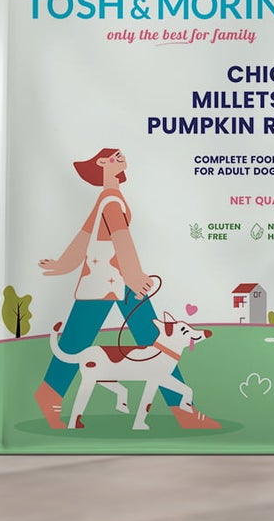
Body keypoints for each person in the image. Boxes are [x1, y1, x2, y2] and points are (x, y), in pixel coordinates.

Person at [33, 146, 219, 430]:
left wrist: (65, 264)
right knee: (82, 342)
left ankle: (183, 410)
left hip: (111, 280)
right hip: (108, 280)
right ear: (102, 163)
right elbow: (117, 238)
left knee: (151, 339)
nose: (121, 156)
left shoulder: (109, 198)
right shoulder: (110, 200)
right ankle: (50, 395)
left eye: (121, 154)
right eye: (114, 155)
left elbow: (86, 237)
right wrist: (132, 274)